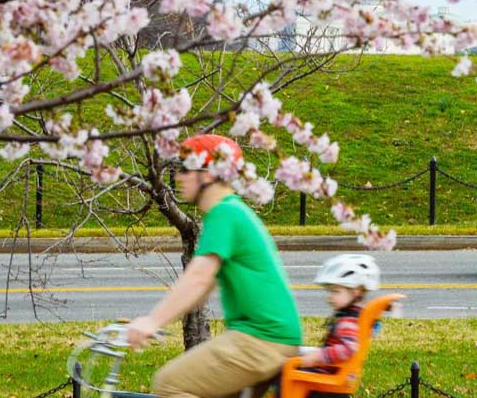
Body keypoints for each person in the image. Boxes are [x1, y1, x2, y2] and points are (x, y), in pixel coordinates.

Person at [127, 133, 302, 398]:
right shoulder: (229, 212)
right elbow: (203, 286)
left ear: (208, 173)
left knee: (169, 383)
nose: (178, 176)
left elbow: (198, 277)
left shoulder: (225, 213)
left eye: (186, 169)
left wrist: (152, 321)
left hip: (261, 340)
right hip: (266, 338)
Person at [294, 254, 381, 375]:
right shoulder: (355, 315)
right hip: (329, 371)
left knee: (281, 375)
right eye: (330, 291)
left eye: (336, 291)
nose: (330, 297)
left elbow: (349, 348)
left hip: (324, 377)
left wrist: (318, 356)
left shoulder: (348, 321)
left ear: (356, 291)